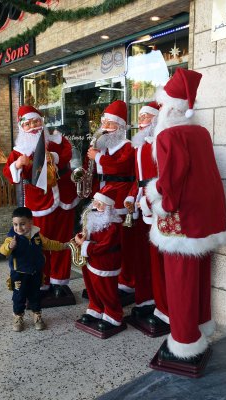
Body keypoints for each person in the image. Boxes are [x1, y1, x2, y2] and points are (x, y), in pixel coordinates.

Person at [145, 67, 226, 371]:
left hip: (181, 219)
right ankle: (201, 327)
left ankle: (183, 342)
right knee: (199, 276)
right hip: (205, 218)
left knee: (180, 281)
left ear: (169, 106)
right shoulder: (200, 132)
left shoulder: (169, 134)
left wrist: (156, 199)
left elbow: (172, 181)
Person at [3, 106, 79, 306]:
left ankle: (60, 282)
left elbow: (68, 152)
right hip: (39, 202)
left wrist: (52, 157)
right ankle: (43, 282)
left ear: (42, 122)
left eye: (36, 122)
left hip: (64, 197)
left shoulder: (56, 140)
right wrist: (18, 165)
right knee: (40, 243)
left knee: (63, 241)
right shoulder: (18, 151)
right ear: (22, 127)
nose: (33, 127)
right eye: (27, 124)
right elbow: (9, 174)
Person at [124, 101, 169, 333]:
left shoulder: (160, 144)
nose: (141, 120)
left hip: (157, 208)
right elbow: (137, 179)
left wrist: (149, 202)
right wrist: (132, 197)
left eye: (146, 116)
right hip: (142, 208)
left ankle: (165, 310)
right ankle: (146, 301)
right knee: (144, 259)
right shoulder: (139, 146)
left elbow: (165, 179)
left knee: (159, 261)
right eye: (140, 116)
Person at [87, 100, 136, 299]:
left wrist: (98, 157)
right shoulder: (106, 148)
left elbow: (120, 167)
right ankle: (110, 277)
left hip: (120, 197)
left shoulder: (127, 147)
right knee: (108, 239)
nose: (105, 129)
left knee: (122, 241)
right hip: (105, 196)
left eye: (110, 124)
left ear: (121, 127)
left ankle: (126, 281)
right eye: (104, 124)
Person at [0, 207, 69, 332]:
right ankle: (18, 317)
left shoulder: (37, 235)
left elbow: (49, 243)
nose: (18, 228)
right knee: (19, 296)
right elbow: (2, 251)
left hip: (35, 273)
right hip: (19, 275)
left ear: (30, 222)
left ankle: (37, 315)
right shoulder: (12, 238)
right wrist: (9, 246)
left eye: (22, 224)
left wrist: (64, 245)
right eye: (15, 224)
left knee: (35, 295)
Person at [75, 187, 124, 332]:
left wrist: (84, 245)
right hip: (92, 259)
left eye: (100, 204)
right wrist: (82, 237)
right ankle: (96, 309)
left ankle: (113, 316)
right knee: (92, 286)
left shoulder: (113, 224)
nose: (96, 206)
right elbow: (88, 232)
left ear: (108, 207)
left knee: (106, 289)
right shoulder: (92, 216)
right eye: (95, 202)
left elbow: (105, 245)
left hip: (106, 262)